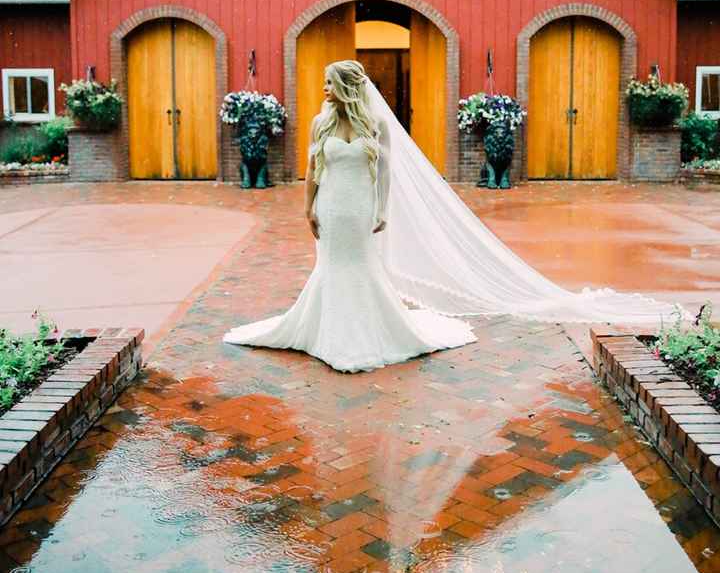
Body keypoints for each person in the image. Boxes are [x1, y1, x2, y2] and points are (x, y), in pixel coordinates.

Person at [223, 58, 688, 373]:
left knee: (361, 266)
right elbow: (313, 168)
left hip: (361, 205)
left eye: (328, 82)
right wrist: (307, 207)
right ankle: (322, 331)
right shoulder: (322, 122)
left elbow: (385, 171)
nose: (323, 89)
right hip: (331, 204)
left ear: (345, 85)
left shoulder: (376, 122)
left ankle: (369, 334)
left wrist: (382, 210)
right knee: (331, 266)